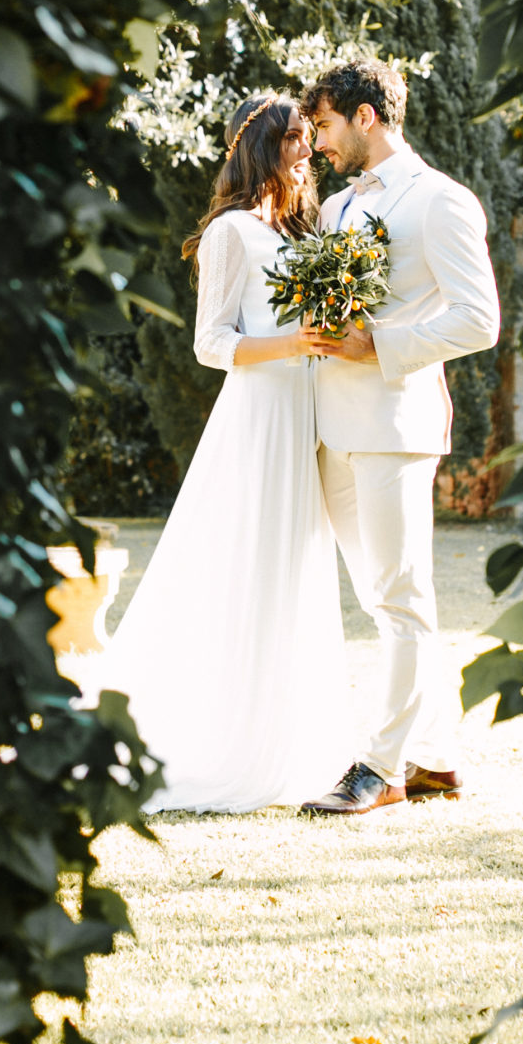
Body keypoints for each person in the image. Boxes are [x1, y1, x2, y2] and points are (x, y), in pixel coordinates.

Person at [101, 94, 351, 812]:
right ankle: (226, 738)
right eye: (294, 140)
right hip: (258, 416)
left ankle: (291, 736)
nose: (307, 151)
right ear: (261, 147)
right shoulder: (231, 233)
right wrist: (294, 341)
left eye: (309, 138)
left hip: (305, 410)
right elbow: (210, 344)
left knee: (295, 566)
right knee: (248, 563)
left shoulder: (299, 229)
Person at [298, 58, 501, 817]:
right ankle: (438, 761)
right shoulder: (338, 209)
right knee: (386, 603)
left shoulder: (440, 200)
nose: (317, 144)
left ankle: (380, 769)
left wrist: (377, 344)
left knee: (401, 600)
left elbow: (479, 320)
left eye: (323, 126)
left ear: (366, 116)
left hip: (394, 422)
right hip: (332, 425)